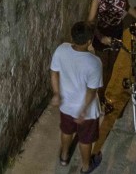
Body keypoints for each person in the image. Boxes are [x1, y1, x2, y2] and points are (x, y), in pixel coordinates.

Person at [86, 0, 136, 114]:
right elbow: (90, 22)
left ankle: (102, 96)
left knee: (110, 68)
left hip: (117, 33)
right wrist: (100, 37)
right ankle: (96, 99)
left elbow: (126, 7)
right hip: (101, 35)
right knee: (101, 69)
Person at [51, 22, 104, 173]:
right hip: (85, 112)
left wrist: (56, 93)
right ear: (89, 41)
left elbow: (54, 72)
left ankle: (64, 157)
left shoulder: (61, 50)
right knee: (85, 139)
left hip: (66, 104)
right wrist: (83, 110)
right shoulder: (94, 63)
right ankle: (86, 166)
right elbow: (91, 91)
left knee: (67, 131)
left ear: (72, 37)